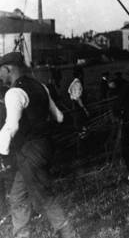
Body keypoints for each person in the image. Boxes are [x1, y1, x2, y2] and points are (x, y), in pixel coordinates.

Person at [0, 52, 77, 238]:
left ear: (8, 69)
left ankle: (70, 234)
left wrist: (2, 153)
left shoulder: (14, 93)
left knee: (44, 197)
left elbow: (11, 126)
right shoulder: (40, 86)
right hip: (44, 148)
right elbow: (59, 117)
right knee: (18, 196)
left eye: (0, 72)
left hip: (29, 152)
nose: (0, 77)